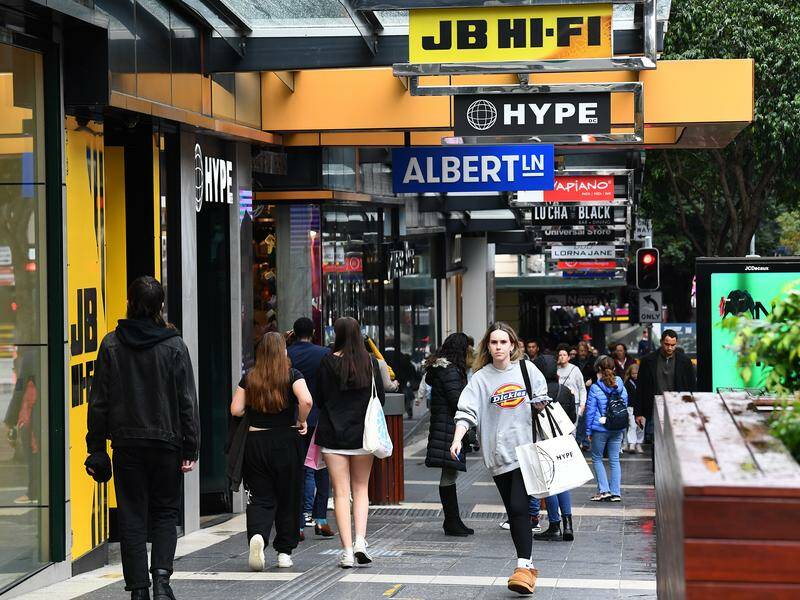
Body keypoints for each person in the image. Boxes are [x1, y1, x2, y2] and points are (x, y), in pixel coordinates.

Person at [86, 276, 200, 600]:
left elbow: (99, 402)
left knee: (132, 516)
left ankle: (138, 589)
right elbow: (187, 401)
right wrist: (191, 446)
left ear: (129, 303)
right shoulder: (175, 346)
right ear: (160, 306)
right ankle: (162, 582)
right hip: (167, 443)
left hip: (127, 445)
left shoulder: (111, 344)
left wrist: (96, 448)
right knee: (165, 513)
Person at [450, 322, 549, 595]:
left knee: (518, 507)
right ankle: (527, 566)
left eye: (503, 342)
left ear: (512, 345)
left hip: (526, 452)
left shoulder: (527, 370)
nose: (498, 347)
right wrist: (457, 438)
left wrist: (540, 403)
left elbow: (544, 400)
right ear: (488, 346)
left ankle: (523, 566)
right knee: (514, 511)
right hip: (497, 456)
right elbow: (466, 411)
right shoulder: (481, 378)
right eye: (494, 342)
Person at [231, 331, 312, 571]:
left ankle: (258, 535)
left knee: (260, 496)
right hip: (286, 441)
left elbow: (236, 409)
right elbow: (306, 400)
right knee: (288, 496)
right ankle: (284, 552)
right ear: (282, 351)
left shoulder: (250, 377)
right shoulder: (292, 375)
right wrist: (301, 420)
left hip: (255, 443)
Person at [316, 317, 385, 568]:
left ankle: (346, 551)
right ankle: (360, 542)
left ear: (337, 334)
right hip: (363, 436)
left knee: (341, 493)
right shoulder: (370, 362)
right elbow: (381, 399)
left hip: (333, 434)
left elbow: (319, 398)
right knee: (361, 489)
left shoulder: (327, 362)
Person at [286, 317, 335, 539]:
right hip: (319, 418)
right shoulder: (324, 353)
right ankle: (321, 519)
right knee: (321, 468)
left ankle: (297, 523)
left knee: (297, 469)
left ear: (294, 332)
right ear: (313, 332)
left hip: (293, 419)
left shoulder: (287, 354)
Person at [423, 333, 474, 536]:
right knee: (449, 473)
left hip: (443, 426)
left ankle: (453, 521)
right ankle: (451, 522)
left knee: (450, 473)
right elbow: (458, 401)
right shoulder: (451, 371)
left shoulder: (443, 369)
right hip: (449, 428)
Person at [532, 354, 576, 542]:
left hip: (544, 441)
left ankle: (554, 525)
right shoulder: (565, 391)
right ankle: (568, 525)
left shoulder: (536, 394)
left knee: (549, 484)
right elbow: (572, 417)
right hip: (563, 439)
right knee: (563, 483)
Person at [637, 329, 696, 443]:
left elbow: (692, 387)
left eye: (673, 345)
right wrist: (638, 413)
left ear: (676, 344)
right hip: (653, 407)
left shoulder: (685, 361)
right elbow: (640, 387)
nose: (670, 348)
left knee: (677, 441)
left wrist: (691, 410)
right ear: (661, 342)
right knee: (655, 442)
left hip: (677, 407)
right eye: (667, 344)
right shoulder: (648, 361)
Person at [585, 356, 628, 502]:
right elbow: (625, 403)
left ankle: (604, 491)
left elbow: (590, 411)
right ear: (614, 368)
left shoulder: (595, 388)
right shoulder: (620, 384)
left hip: (600, 428)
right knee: (615, 459)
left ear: (599, 369)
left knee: (597, 458)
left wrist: (588, 431)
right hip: (617, 427)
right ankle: (616, 493)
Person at [571, 342, 595, 450]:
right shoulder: (573, 362)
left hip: (588, 391)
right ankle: (576, 440)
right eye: (581, 351)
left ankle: (584, 441)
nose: (582, 353)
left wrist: (592, 381)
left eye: (584, 351)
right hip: (575, 391)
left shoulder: (591, 362)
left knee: (585, 417)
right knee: (576, 417)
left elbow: (595, 376)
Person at [556, 344, 586, 424]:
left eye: (564, 355)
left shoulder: (575, 369)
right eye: (560, 355)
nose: (562, 357)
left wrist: (582, 404)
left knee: (573, 427)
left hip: (574, 403)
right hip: (560, 403)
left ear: (568, 357)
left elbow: (582, 388)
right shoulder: (556, 370)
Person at [624, 364, 644, 454]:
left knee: (641, 426)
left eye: (637, 374)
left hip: (642, 407)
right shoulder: (628, 383)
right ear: (630, 373)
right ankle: (632, 443)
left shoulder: (643, 382)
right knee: (632, 425)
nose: (635, 375)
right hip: (631, 407)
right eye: (633, 374)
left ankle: (639, 443)